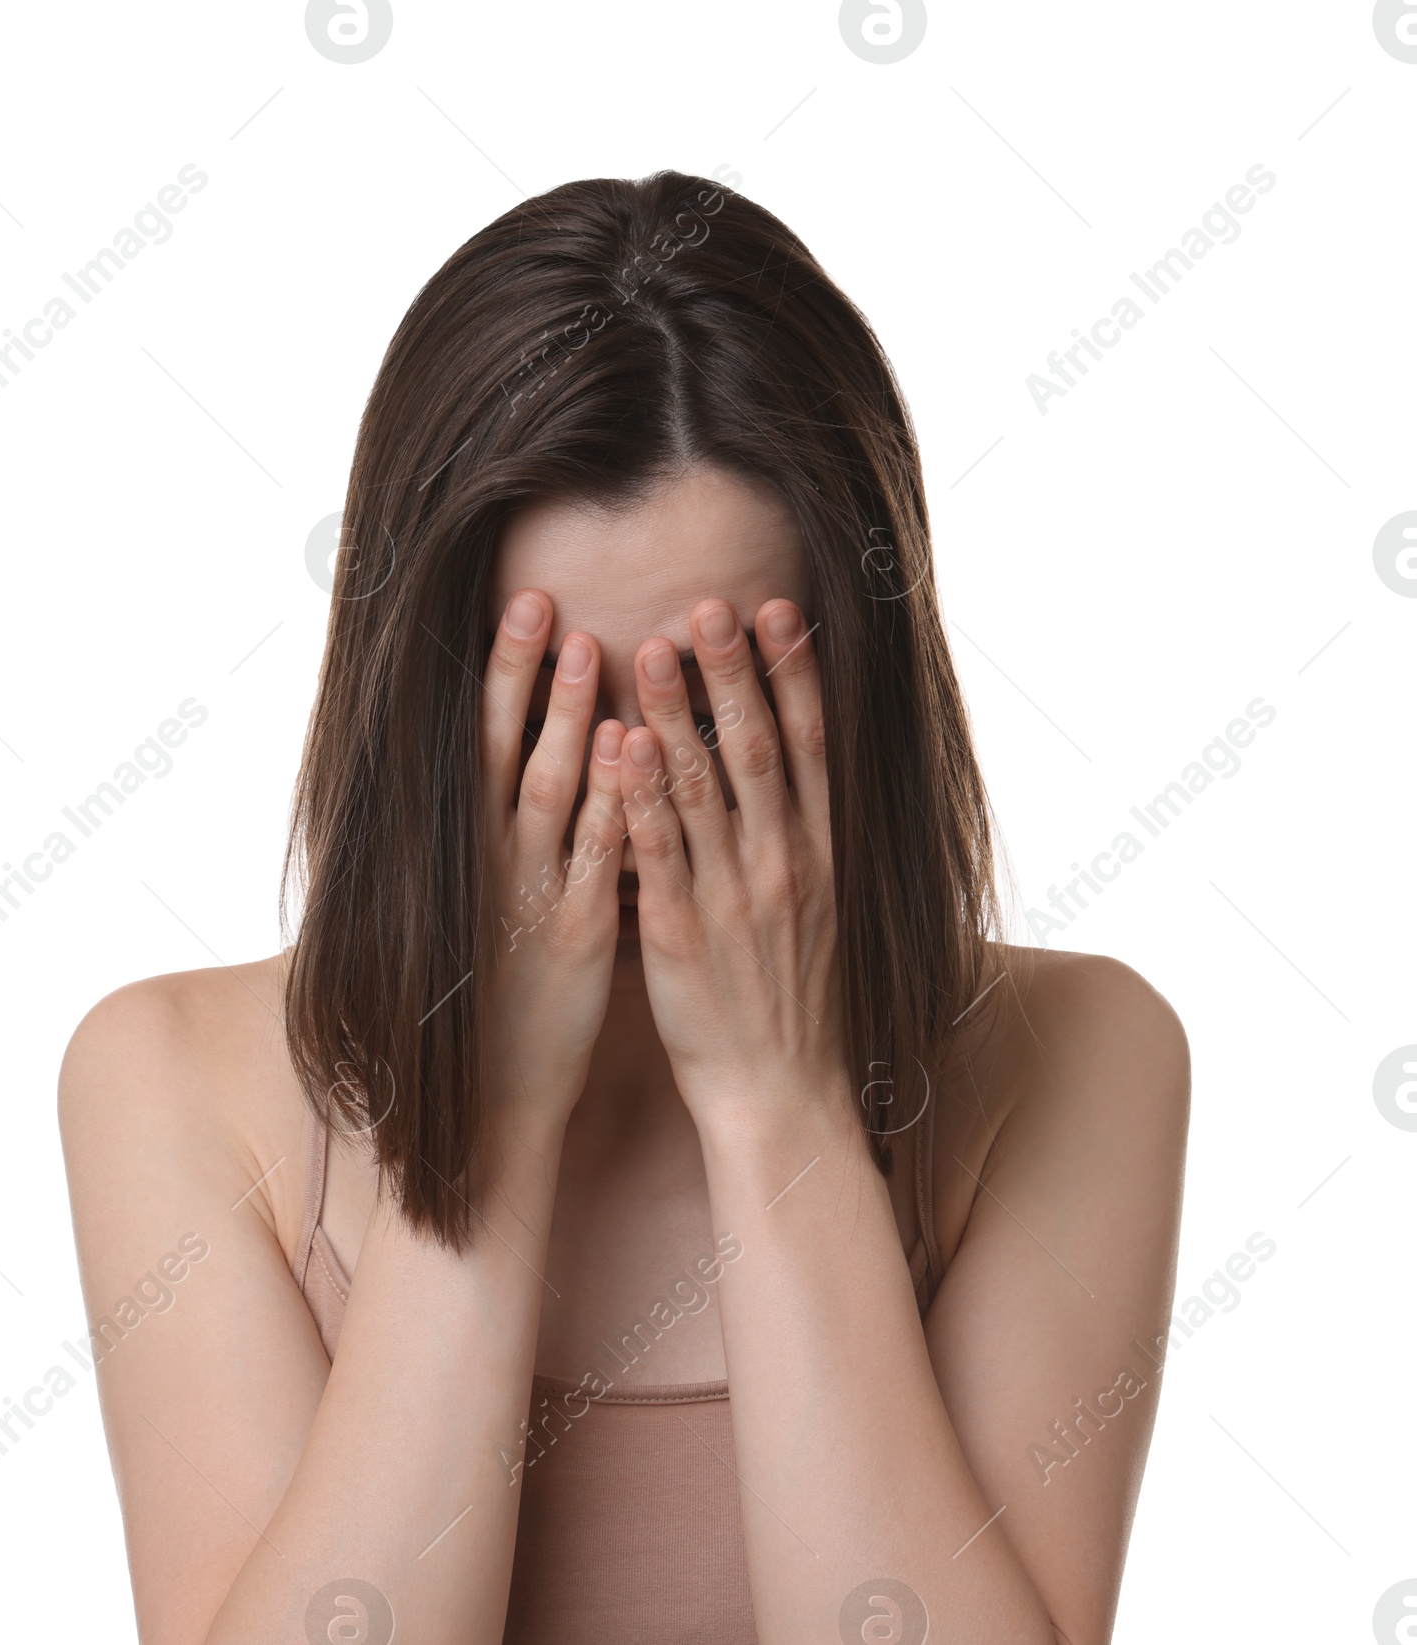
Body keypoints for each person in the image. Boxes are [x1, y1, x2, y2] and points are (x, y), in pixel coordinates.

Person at [59, 171, 1190, 1645]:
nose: (640, 798)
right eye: (560, 711)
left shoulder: (1082, 1056)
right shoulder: (169, 1079)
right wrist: (486, 1117)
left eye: (720, 711)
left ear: (858, 693)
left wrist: (777, 1110)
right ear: (422, 708)